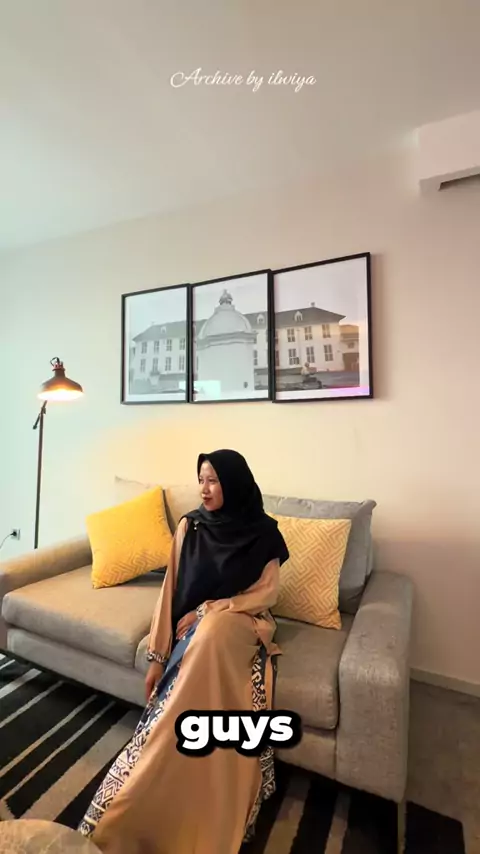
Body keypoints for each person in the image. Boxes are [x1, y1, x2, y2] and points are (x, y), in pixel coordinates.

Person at [78, 449, 289, 854]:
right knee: (204, 638)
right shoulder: (190, 527)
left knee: (211, 632)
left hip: (241, 620)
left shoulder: (264, 533)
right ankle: (148, 794)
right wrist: (157, 658)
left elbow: (266, 594)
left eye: (213, 481)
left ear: (233, 484)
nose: (203, 489)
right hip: (195, 632)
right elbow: (169, 591)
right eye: (201, 480)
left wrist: (211, 609)